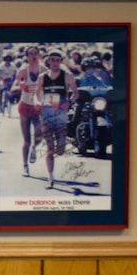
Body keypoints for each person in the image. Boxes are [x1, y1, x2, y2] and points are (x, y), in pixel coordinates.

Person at [38, 49, 78, 190]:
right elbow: (38, 93)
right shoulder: (43, 76)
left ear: (61, 62)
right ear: (48, 61)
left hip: (60, 115)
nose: (54, 63)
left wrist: (69, 102)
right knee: (50, 150)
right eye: (52, 60)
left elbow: (75, 93)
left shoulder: (68, 76)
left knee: (60, 150)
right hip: (47, 115)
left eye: (57, 60)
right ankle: (50, 179)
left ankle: (59, 148)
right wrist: (40, 102)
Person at [9, 45, 45, 178]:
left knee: (40, 135)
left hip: (37, 107)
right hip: (25, 107)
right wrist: (20, 87)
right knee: (27, 140)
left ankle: (34, 149)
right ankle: (25, 166)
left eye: (36, 53)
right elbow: (13, 87)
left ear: (39, 55)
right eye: (31, 54)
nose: (34, 56)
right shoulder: (24, 70)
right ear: (27, 57)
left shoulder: (44, 70)